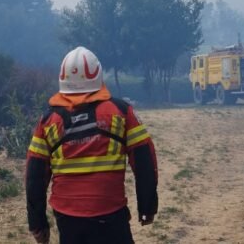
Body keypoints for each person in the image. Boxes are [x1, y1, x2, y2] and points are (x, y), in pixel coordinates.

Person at [25, 47, 158, 244]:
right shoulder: (121, 112)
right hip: (111, 213)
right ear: (98, 75)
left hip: (67, 217)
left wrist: (37, 222)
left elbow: (34, 175)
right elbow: (144, 159)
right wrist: (147, 205)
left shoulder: (48, 121)